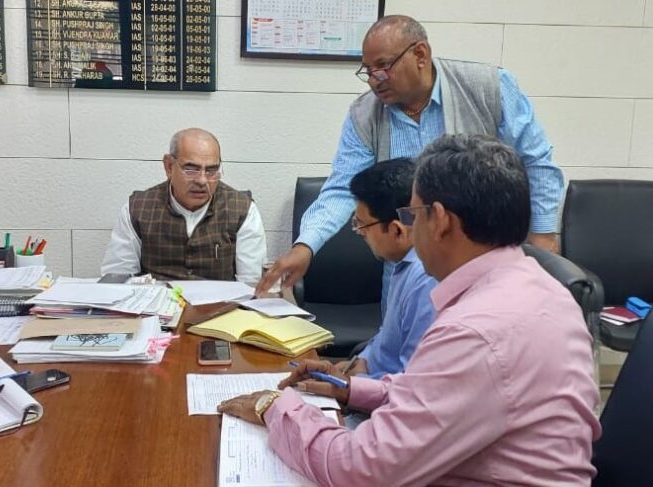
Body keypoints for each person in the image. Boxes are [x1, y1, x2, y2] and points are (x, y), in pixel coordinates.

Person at [220, 134, 600, 485]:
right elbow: (436, 392)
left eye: (413, 214)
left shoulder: (475, 330)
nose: (409, 230)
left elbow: (360, 469)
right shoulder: (542, 290)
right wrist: (354, 390)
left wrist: (275, 407)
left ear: (441, 220)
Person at [258, 15, 564, 297]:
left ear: (420, 54)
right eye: (367, 70)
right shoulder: (364, 114)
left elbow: (537, 162)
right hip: (404, 268)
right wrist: (305, 245)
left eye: (383, 66)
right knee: (401, 339)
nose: (374, 79)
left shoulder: (488, 87)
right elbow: (343, 187)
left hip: (477, 261)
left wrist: (543, 237)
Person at [101, 128, 267, 282]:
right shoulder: (137, 208)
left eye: (211, 170)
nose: (202, 180)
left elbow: (251, 283)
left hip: (221, 303)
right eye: (191, 169)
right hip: (156, 302)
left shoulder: (242, 210)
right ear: (169, 166)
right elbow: (117, 278)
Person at [340, 158, 436, 384]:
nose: (359, 232)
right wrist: (358, 363)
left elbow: (410, 381)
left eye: (362, 224)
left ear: (397, 231)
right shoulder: (402, 263)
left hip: (385, 397)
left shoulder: (426, 280)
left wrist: (354, 384)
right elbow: (386, 336)